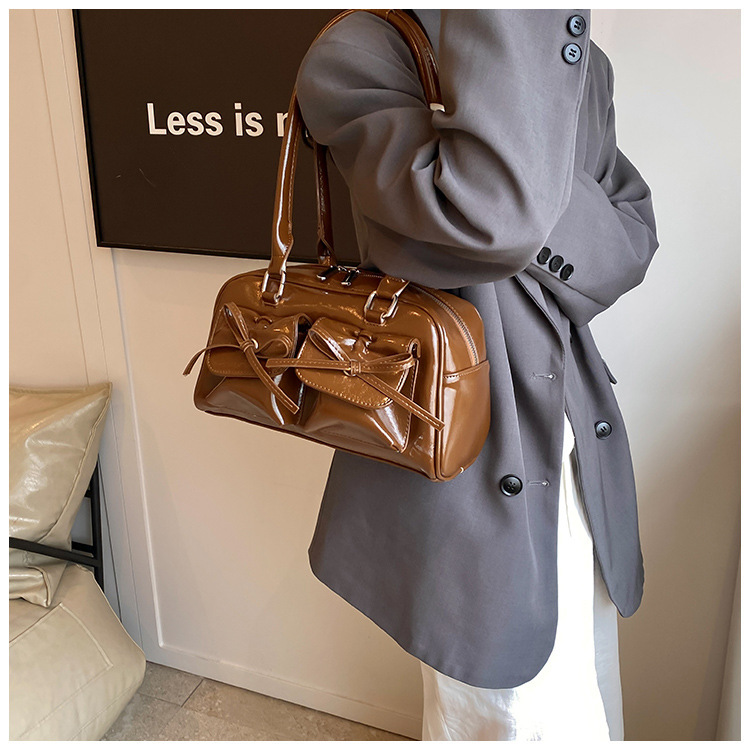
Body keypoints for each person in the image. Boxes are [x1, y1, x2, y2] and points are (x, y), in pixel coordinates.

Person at [294, 9, 659, 741]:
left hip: (574, 446)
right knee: (504, 714)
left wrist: (520, 180)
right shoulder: (363, 50)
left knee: (585, 695)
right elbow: (493, 217)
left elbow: (630, 246)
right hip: (463, 461)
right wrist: (539, 183)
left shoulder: (583, 63)